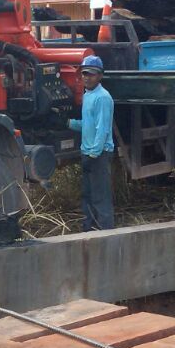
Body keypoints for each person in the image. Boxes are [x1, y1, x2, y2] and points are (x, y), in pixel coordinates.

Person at [68, 54, 115, 231]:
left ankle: (106, 232)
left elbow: (102, 129)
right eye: (84, 73)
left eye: (91, 74)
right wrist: (69, 124)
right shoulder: (88, 95)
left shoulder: (102, 98)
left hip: (99, 154)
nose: (87, 77)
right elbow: (88, 125)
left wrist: (94, 153)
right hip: (88, 152)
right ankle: (88, 230)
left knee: (100, 197)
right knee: (87, 195)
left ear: (100, 76)